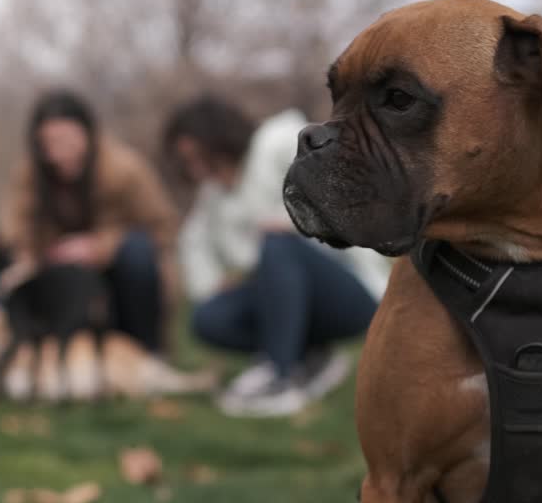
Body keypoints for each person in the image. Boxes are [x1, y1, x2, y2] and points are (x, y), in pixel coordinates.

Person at [165, 96, 391, 417]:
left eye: (197, 156)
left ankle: (278, 376)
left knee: (276, 243)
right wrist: (214, 284)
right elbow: (193, 243)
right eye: (186, 161)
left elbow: (345, 198)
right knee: (208, 317)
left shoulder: (277, 143)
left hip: (349, 288)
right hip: (288, 295)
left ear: (217, 140)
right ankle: (309, 358)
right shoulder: (213, 194)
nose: (194, 168)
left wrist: (290, 224)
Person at [0, 89, 179, 354]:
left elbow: (164, 227)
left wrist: (99, 247)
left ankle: (148, 349)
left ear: (88, 133)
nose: (57, 153)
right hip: (57, 276)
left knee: (137, 251)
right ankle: (27, 351)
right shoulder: (30, 175)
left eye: (65, 140)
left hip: (118, 278)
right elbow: (11, 226)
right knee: (3, 278)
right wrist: (27, 257)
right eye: (48, 144)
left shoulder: (125, 168)